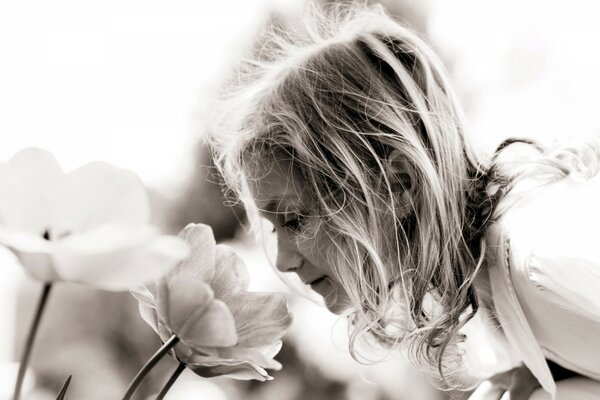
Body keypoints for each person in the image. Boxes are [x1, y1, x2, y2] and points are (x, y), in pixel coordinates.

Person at [208, 3, 600, 399]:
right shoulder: (491, 283)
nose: (282, 261)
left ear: (397, 184)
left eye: (294, 220)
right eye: (273, 229)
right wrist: (549, 376)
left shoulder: (539, 267)